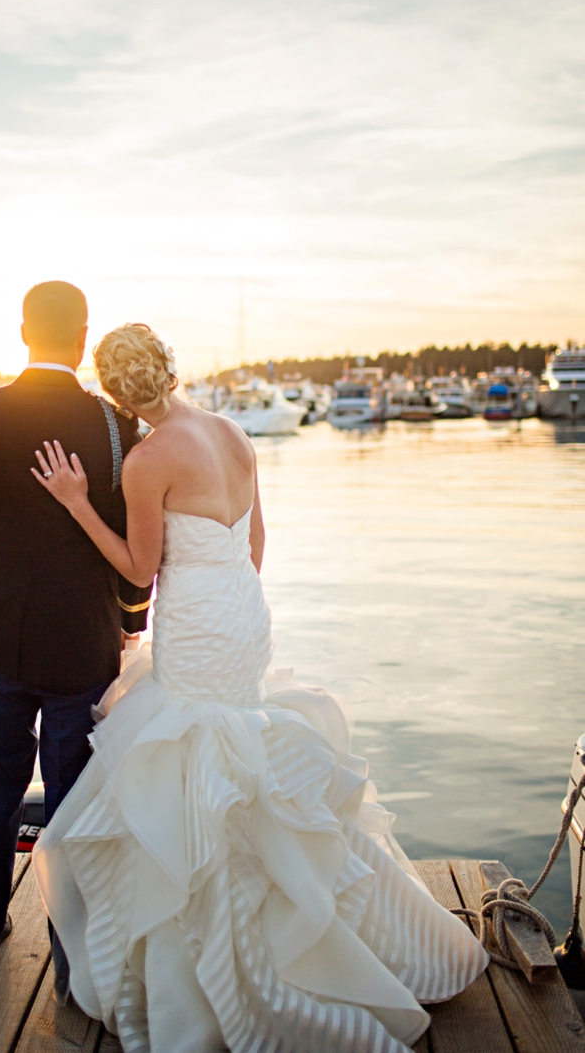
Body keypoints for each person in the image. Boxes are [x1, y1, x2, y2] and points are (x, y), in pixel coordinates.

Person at [31, 323, 489, 1053]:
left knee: (195, 761)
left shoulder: (147, 461)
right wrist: (223, 585)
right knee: (243, 749)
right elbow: (256, 546)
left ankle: (228, 956)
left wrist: (76, 500)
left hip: (199, 621)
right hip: (243, 612)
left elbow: (138, 570)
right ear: (170, 369)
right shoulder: (232, 430)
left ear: (116, 394)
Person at [0, 282, 152, 977]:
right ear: (83, 336)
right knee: (74, 808)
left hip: (0, 645)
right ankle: (73, 962)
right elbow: (141, 549)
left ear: (23, 331)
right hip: (86, 646)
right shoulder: (114, 428)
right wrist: (129, 624)